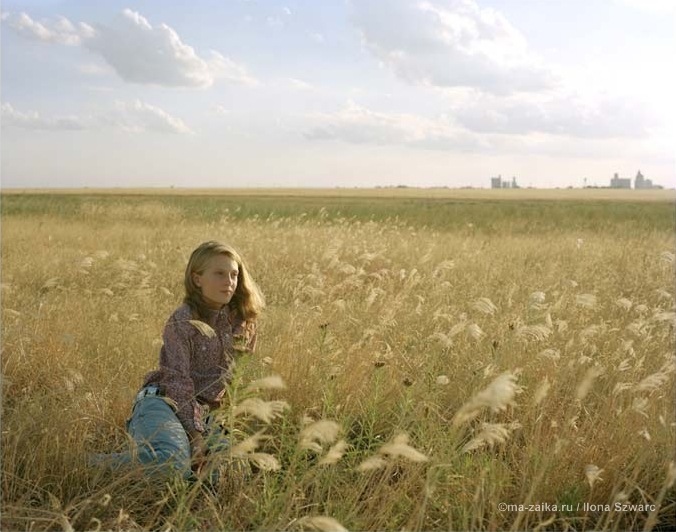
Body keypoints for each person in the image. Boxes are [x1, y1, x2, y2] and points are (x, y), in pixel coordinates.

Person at [91, 241, 265, 479]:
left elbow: (233, 386)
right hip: (165, 403)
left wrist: (218, 431)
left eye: (234, 275)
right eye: (220, 274)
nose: (229, 282)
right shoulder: (184, 319)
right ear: (197, 279)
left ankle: (178, 473)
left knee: (232, 471)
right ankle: (86, 464)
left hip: (205, 415)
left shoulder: (244, 323)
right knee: (170, 463)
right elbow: (177, 381)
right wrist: (196, 437)